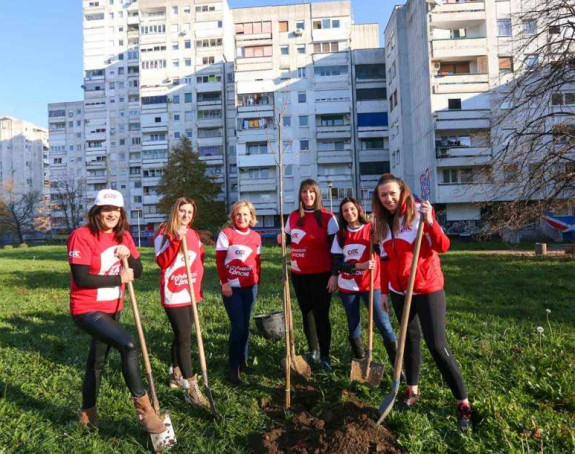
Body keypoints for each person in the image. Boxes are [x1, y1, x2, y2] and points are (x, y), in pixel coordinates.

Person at [371, 173, 472, 432]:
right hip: (398, 291)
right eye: (383, 195)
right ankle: (412, 391)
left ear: (402, 191)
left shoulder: (418, 214)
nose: (388, 199)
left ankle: (463, 404)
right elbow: (383, 261)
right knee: (409, 340)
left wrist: (430, 222)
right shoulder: (381, 224)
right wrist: (383, 291)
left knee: (437, 346)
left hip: (427, 288)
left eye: (392, 193)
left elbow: (444, 245)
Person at [67, 189, 165, 434]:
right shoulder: (82, 236)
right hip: (87, 308)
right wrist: (119, 278)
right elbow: (81, 278)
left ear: (121, 213)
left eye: (116, 210)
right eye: (106, 209)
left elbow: (138, 271)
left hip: (113, 308)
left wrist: (129, 257)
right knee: (128, 345)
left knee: (96, 363)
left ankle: (87, 414)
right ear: (97, 212)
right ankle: (145, 411)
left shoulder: (125, 238)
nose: (111, 214)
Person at [328, 197, 398, 370]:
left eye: (352, 209)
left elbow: (384, 252)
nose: (349, 213)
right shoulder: (341, 235)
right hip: (348, 287)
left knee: (384, 324)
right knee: (353, 325)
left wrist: (376, 240)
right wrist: (359, 265)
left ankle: (398, 366)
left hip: (371, 285)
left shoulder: (371, 229)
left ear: (358, 209)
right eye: (345, 210)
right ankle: (361, 363)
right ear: (341, 214)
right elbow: (337, 263)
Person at [154, 197, 209, 408]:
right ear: (174, 212)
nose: (186, 215)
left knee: (181, 334)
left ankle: (175, 371)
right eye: (182, 211)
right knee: (185, 336)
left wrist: (197, 288)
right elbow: (161, 261)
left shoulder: (194, 234)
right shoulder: (164, 232)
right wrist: (176, 239)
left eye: (189, 212)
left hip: (190, 292)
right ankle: (191, 386)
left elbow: (198, 262)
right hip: (174, 292)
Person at [280, 179, 339, 370]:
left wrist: (334, 274)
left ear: (317, 194)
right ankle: (313, 351)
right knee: (307, 313)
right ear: (300, 195)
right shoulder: (294, 216)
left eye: (311, 192)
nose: (308, 195)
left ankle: (325, 355)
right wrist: (281, 238)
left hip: (321, 274)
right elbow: (287, 238)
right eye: (304, 192)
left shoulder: (328, 217)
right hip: (299, 273)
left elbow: (337, 250)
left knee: (321, 314)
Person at [216, 201, 262, 384]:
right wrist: (224, 283)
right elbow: (220, 261)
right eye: (238, 215)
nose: (241, 218)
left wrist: (257, 280)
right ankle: (233, 367)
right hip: (232, 288)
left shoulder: (256, 237)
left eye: (245, 215)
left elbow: (257, 262)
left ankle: (243, 360)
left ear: (251, 217)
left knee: (246, 325)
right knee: (239, 326)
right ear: (233, 217)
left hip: (250, 287)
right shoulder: (226, 234)